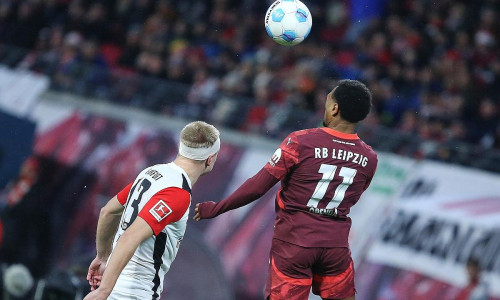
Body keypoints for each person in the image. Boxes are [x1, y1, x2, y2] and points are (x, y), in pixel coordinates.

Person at [195, 79, 378, 300]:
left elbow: (257, 186)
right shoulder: (369, 157)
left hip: (295, 244)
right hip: (334, 246)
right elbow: (352, 197)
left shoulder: (300, 141)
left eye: (328, 99)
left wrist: (217, 208)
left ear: (335, 108)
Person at [84, 121, 220, 300]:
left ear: (181, 147)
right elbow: (130, 237)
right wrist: (103, 291)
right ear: (210, 159)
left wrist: (102, 257)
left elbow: (108, 211)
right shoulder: (178, 193)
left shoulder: (151, 173)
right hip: (134, 294)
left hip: (114, 286)